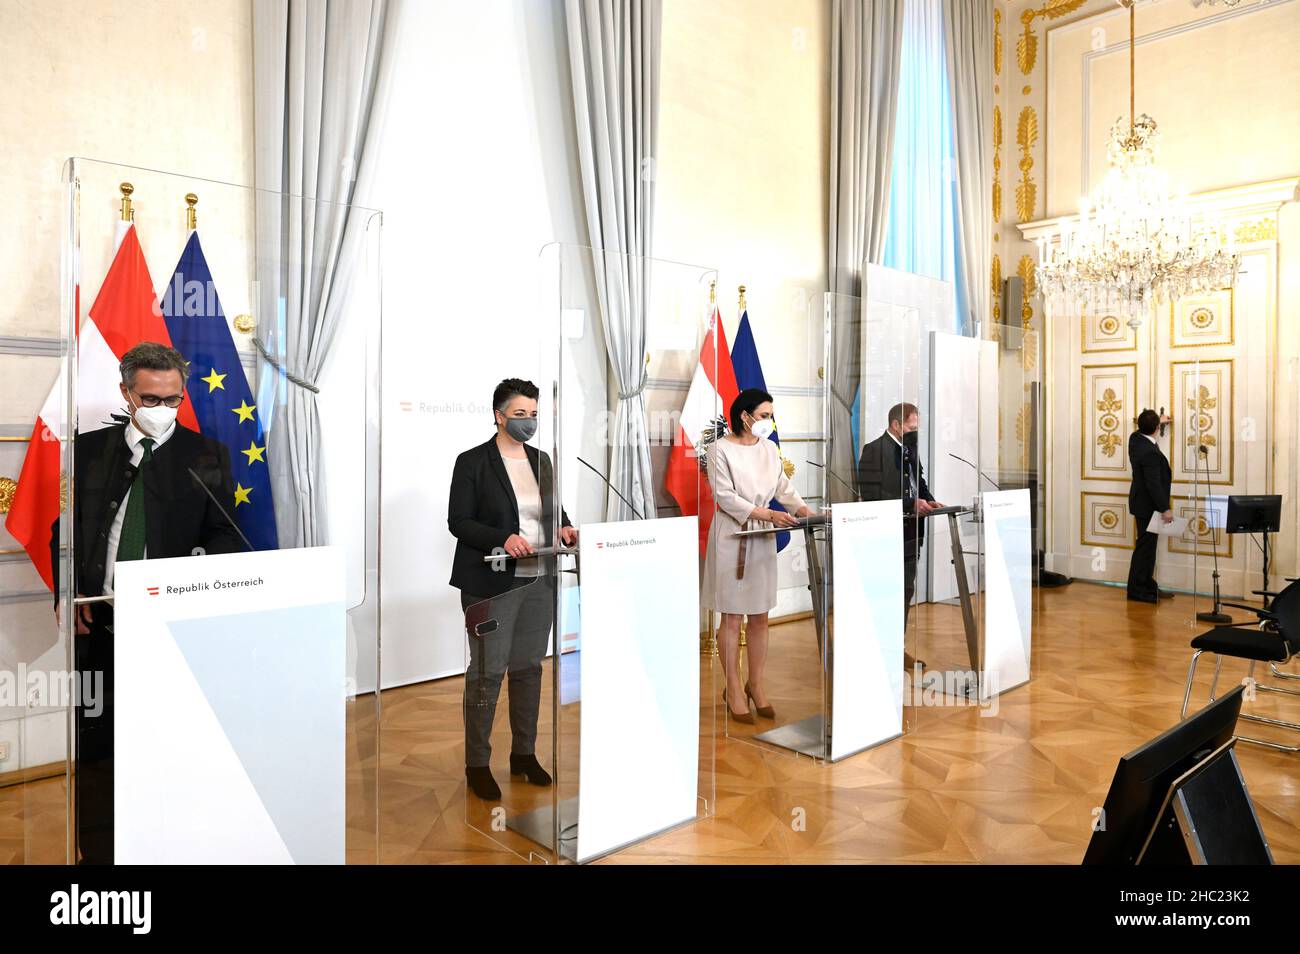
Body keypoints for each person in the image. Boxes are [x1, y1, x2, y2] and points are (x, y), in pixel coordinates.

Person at [53, 341, 246, 864]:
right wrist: (68, 591)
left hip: (170, 628)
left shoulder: (207, 456)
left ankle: (168, 844)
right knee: (98, 749)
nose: (163, 410)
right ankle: (98, 856)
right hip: (101, 624)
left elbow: (225, 536)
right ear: (126, 394)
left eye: (173, 400)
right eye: (151, 399)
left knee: (170, 747)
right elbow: (63, 530)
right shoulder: (90, 449)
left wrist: (192, 594)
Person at [447, 378, 576, 801]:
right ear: (498, 415)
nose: (528, 422)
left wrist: (565, 527)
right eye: (519, 414)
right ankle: (477, 764)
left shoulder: (541, 461)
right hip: (492, 583)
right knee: (487, 674)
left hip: (540, 579)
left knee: (529, 670)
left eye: (533, 414)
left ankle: (523, 754)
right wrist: (502, 537)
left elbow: (552, 511)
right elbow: (459, 521)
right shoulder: (472, 462)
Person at [703, 388, 814, 724]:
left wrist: (804, 509)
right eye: (765, 415)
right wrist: (768, 516)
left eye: (771, 415)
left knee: (761, 615)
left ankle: (757, 684)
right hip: (733, 536)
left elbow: (784, 488)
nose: (769, 421)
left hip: (763, 537)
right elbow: (724, 496)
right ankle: (733, 687)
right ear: (745, 415)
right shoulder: (718, 449)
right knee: (733, 616)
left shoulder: (769, 449)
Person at [856, 402, 943, 669]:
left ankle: (898, 647)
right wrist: (909, 505)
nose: (915, 432)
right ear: (896, 424)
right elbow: (871, 496)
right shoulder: (873, 450)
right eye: (911, 427)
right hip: (886, 536)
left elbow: (919, 483)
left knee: (905, 591)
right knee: (885, 593)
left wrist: (930, 500)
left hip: (911, 534)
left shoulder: (910, 450)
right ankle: (877, 648)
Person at [1127, 408, 1174, 603]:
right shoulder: (1150, 452)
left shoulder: (1135, 440)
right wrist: (1165, 508)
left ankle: (1146, 585)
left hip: (1141, 503)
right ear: (1156, 428)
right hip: (1149, 506)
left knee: (1146, 547)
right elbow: (1153, 484)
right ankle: (1138, 590)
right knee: (1145, 549)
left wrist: (1157, 421)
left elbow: (1140, 430)